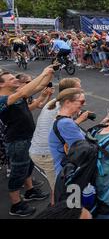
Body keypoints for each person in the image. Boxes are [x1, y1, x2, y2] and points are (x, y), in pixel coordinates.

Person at [0, 66, 55, 217]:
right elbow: (25, 91)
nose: (15, 79)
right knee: (18, 172)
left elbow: (38, 87)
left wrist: (49, 74)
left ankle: (30, 191)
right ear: (1, 84)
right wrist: (43, 72)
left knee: (27, 166)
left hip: (26, 138)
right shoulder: (4, 99)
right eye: (11, 79)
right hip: (17, 141)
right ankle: (16, 205)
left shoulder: (15, 95)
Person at [29, 78, 83, 206]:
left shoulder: (55, 102)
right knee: (60, 188)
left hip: (38, 150)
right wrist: (80, 119)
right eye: (78, 88)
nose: (81, 90)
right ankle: (56, 210)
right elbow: (66, 129)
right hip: (45, 153)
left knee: (58, 186)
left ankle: (56, 206)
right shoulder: (61, 109)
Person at [48, 88, 93, 176]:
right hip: (71, 174)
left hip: (66, 172)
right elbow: (85, 150)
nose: (84, 104)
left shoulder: (63, 119)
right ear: (68, 102)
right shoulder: (66, 123)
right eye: (82, 102)